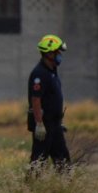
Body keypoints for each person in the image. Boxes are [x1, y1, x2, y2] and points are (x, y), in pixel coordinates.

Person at [28, 34, 70, 170]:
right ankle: (30, 188)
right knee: (39, 160)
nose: (60, 55)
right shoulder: (39, 74)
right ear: (49, 53)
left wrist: (58, 121)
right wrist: (39, 124)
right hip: (44, 125)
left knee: (63, 159)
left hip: (54, 124)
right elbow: (36, 100)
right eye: (58, 52)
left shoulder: (52, 70)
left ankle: (66, 187)